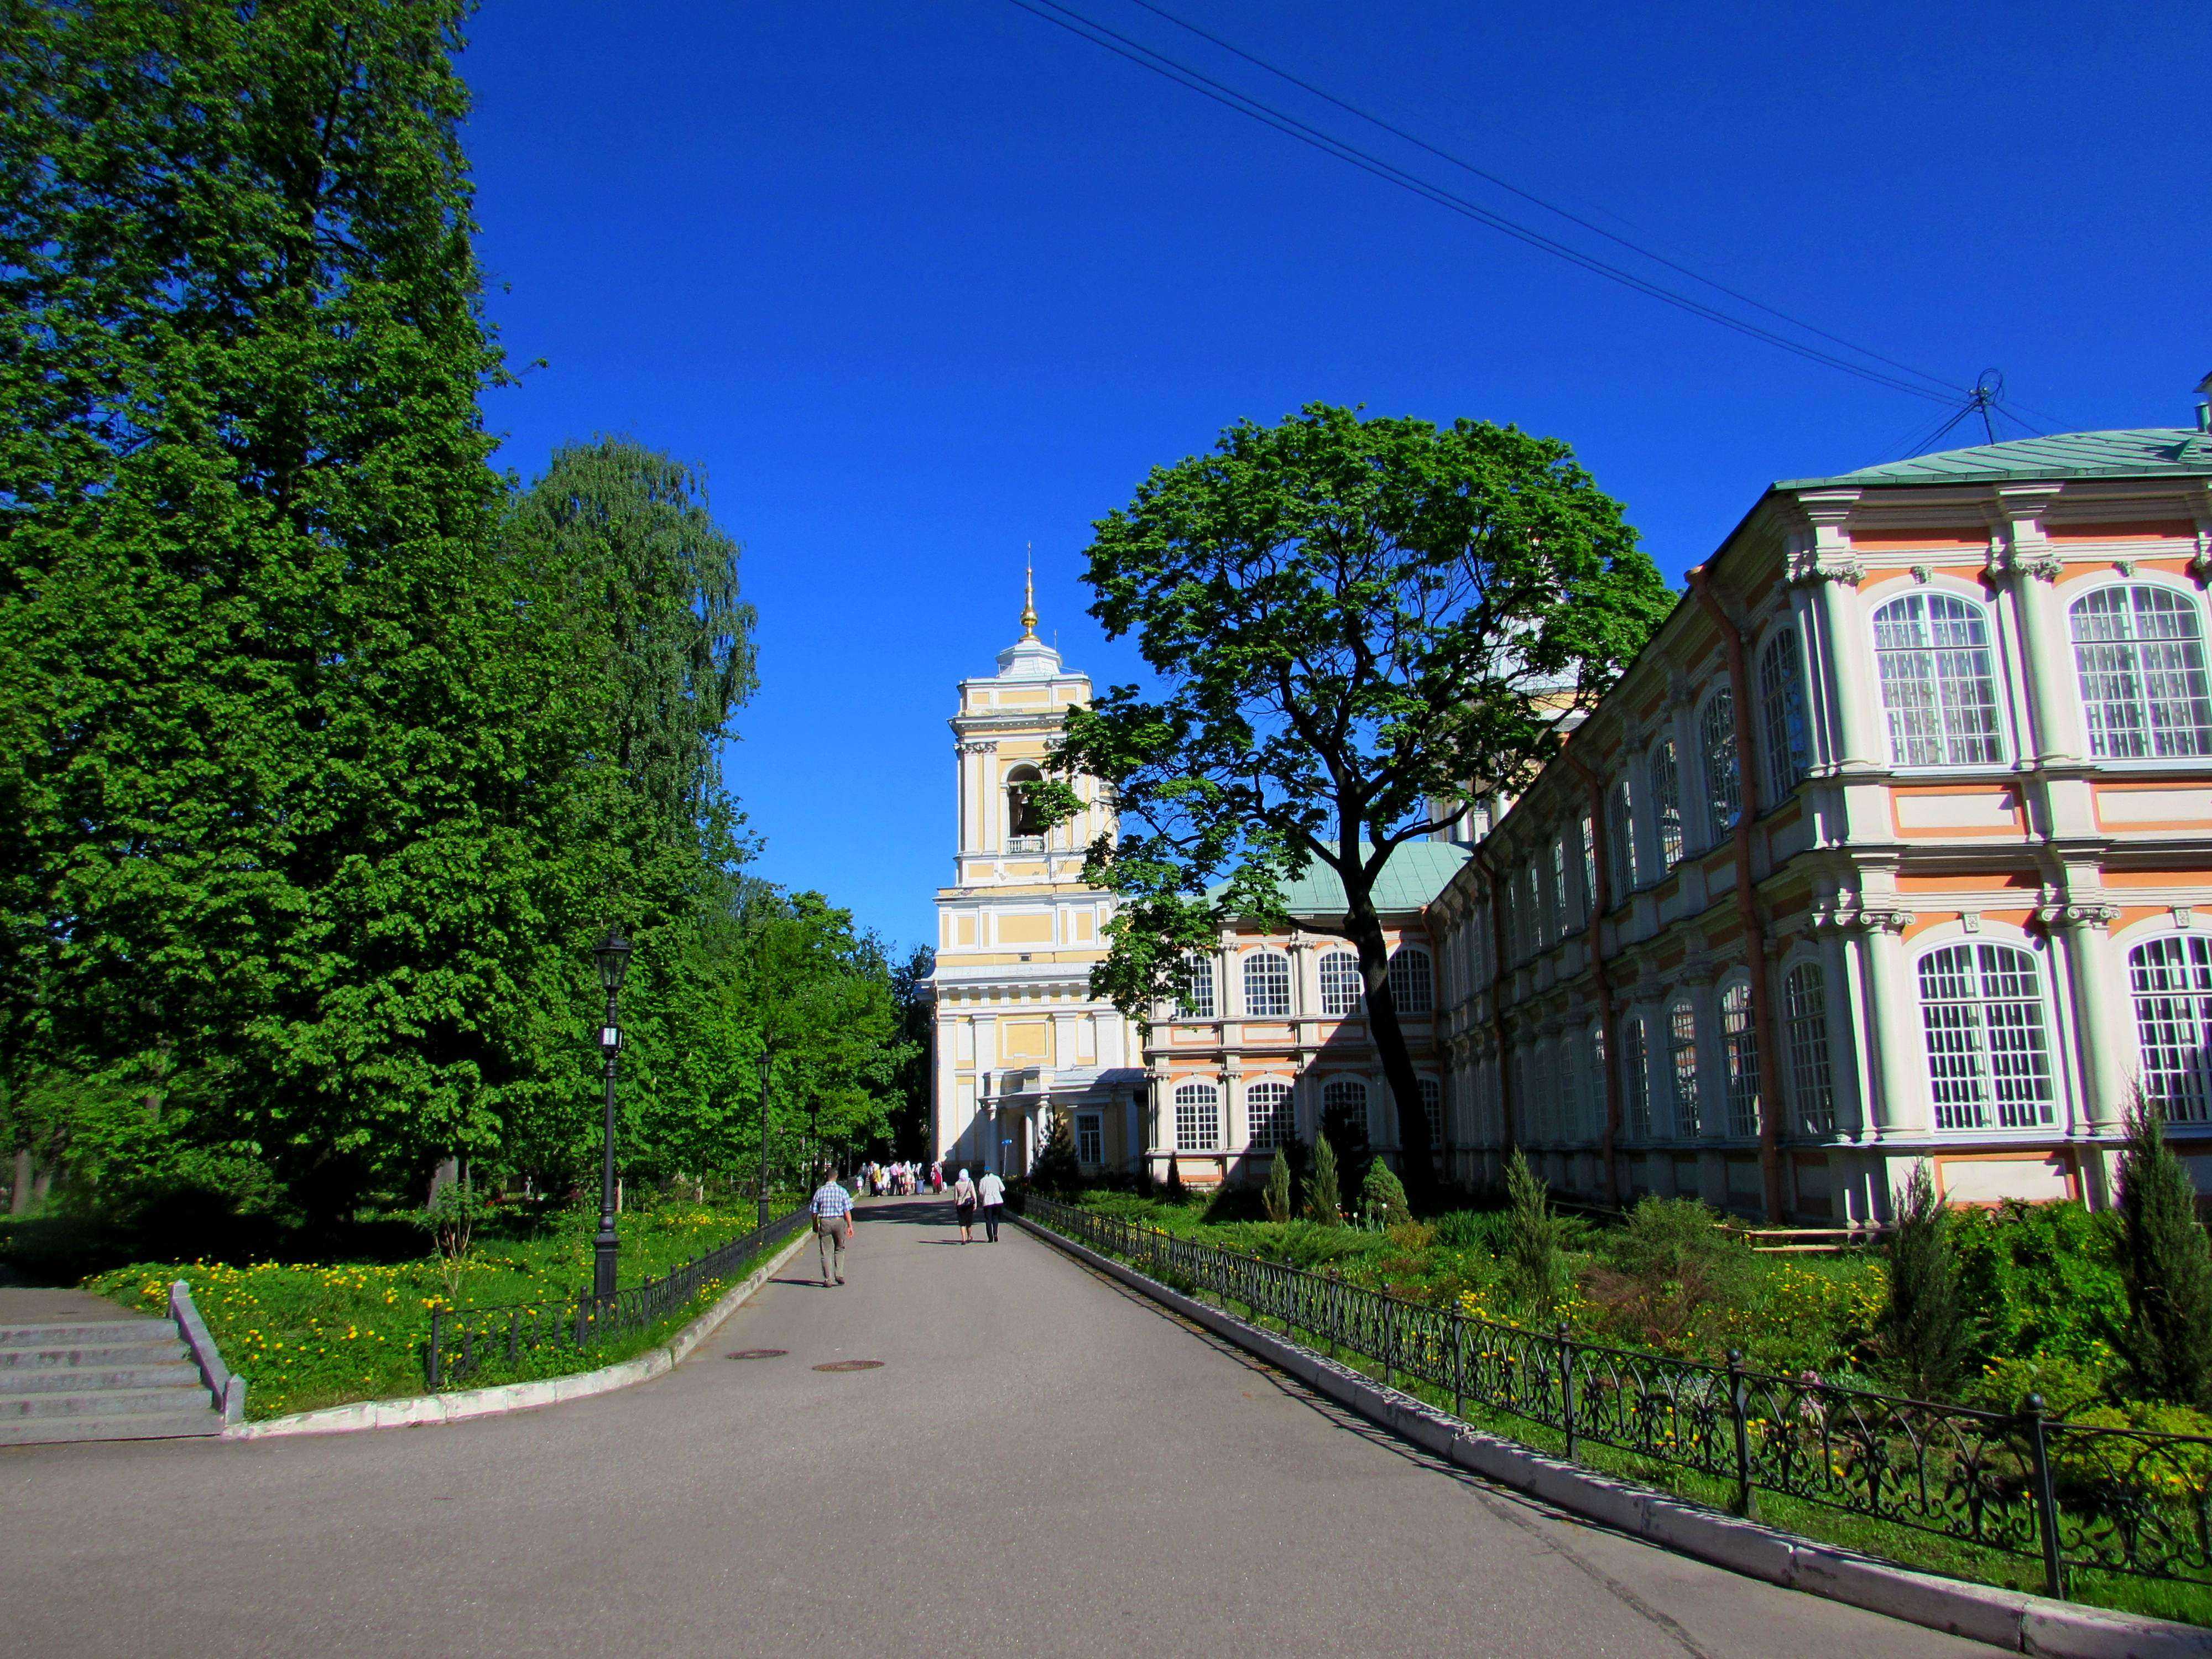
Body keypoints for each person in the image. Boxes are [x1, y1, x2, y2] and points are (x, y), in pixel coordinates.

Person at [809, 1163, 854, 1286]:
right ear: (836, 1176)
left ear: (826, 1177)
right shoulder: (842, 1191)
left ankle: (828, 1279)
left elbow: (814, 1211)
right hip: (839, 1221)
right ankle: (839, 1274)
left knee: (826, 1251)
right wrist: (850, 1226)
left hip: (825, 1222)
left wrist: (815, 1224)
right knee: (840, 1248)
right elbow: (847, 1211)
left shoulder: (820, 1192)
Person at [977, 1167, 1006, 1243]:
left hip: (988, 1202)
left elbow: (981, 1192)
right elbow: (1003, 1189)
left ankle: (990, 1238)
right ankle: (996, 1234)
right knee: (995, 1218)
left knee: (988, 1220)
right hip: (997, 1201)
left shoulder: (983, 1180)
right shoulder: (997, 1178)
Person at [951, 1167, 977, 1243]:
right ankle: (969, 1237)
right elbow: (974, 1194)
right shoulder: (970, 1182)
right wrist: (975, 1203)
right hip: (969, 1204)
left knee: (962, 1223)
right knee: (969, 1222)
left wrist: (955, 1204)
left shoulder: (957, 1184)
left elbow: (956, 1196)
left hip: (960, 1204)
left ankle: (963, 1239)